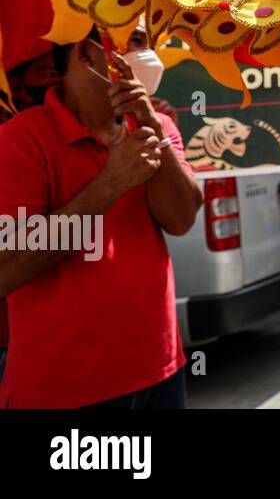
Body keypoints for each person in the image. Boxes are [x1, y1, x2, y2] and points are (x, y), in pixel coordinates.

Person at [0, 25, 203, 408]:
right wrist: (109, 184)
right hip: (63, 392)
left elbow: (181, 220)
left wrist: (150, 124)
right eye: (136, 41)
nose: (149, 54)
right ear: (87, 53)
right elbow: (6, 268)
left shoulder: (157, 124)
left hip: (161, 373)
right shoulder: (21, 140)